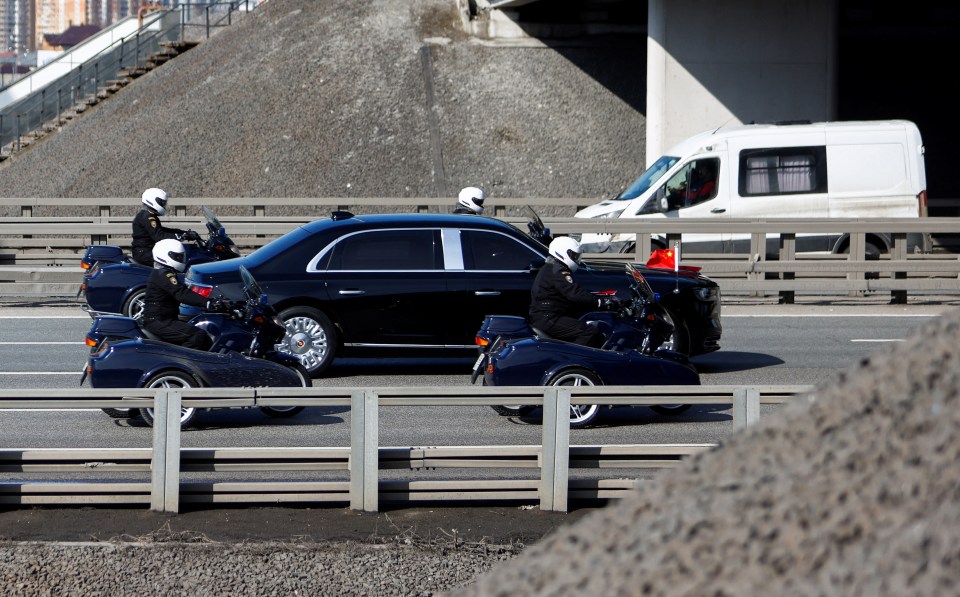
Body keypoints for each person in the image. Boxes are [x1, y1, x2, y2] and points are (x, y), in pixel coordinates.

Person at [529, 237, 619, 348]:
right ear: (562, 253)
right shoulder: (558, 272)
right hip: (549, 318)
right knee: (589, 333)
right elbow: (574, 293)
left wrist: (598, 298)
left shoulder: (551, 268)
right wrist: (600, 302)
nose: (577, 259)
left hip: (546, 316)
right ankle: (572, 359)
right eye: (574, 256)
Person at [141, 238, 227, 350]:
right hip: (159, 321)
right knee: (196, 336)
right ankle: (183, 364)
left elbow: (184, 291)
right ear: (166, 255)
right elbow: (181, 294)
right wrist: (208, 303)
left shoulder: (164, 272)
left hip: (164, 319)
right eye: (177, 257)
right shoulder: (164, 274)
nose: (180, 259)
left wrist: (213, 299)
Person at [131, 188, 200, 266]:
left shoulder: (148, 214)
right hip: (144, 253)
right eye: (162, 203)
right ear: (153, 200)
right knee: (172, 262)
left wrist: (182, 232)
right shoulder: (148, 217)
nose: (163, 205)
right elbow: (159, 236)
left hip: (145, 251)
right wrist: (181, 236)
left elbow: (162, 230)